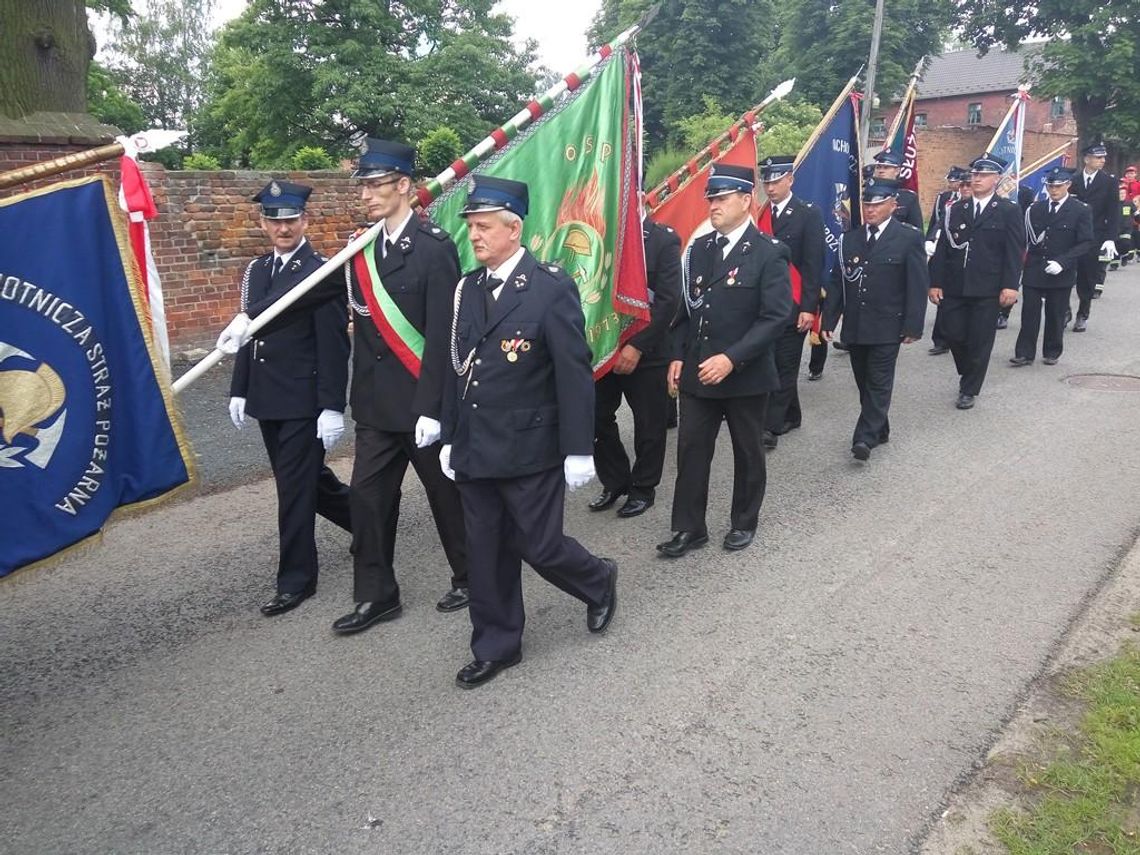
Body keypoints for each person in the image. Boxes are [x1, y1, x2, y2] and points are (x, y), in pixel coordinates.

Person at [439, 175, 617, 689]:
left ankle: (598, 579)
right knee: (486, 547)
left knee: (538, 545)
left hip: (530, 444)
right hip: (475, 444)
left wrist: (579, 449)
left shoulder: (548, 286)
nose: (474, 236)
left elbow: (572, 370)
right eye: (471, 226)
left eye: (484, 226)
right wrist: (451, 434)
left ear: (513, 230)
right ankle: (497, 644)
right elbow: (458, 368)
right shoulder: (467, 289)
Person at [228, 180, 353, 616]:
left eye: (291, 220)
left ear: (306, 220)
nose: (283, 229)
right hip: (267, 397)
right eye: (274, 221)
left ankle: (296, 579)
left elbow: (334, 344)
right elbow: (248, 335)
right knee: (307, 482)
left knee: (293, 491)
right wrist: (239, 388)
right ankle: (368, 521)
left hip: (303, 399)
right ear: (262, 223)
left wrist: (331, 405)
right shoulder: (256, 271)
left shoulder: (320, 271)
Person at [658, 162, 792, 558]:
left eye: (721, 198)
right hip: (699, 372)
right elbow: (686, 310)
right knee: (691, 452)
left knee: (748, 451)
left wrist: (732, 359)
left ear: (746, 200)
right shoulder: (699, 249)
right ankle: (689, 528)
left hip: (744, 375)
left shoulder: (768, 252)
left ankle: (743, 521)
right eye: (710, 199)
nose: (712, 205)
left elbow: (776, 317)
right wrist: (678, 355)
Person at [821, 180, 928, 460]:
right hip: (857, 324)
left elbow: (917, 284)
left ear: (893, 205)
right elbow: (837, 282)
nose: (871, 209)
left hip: (888, 324)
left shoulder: (908, 237)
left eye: (878, 204)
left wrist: (913, 325)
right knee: (864, 380)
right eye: (867, 204)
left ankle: (864, 438)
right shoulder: (850, 239)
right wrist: (829, 320)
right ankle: (880, 427)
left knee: (879, 381)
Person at [589, 208, 681, 518]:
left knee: (649, 424)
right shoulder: (598, 232)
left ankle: (643, 488)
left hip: (647, 351)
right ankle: (615, 481)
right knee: (596, 417)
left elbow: (669, 301)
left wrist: (637, 346)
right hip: (604, 346)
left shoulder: (661, 240)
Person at [929, 152, 1025, 410]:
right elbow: (943, 250)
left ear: (996, 179)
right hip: (956, 284)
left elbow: (1014, 251)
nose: (977, 179)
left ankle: (968, 389)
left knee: (981, 339)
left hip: (988, 287)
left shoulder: (1008, 210)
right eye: (975, 174)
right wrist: (935, 282)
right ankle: (968, 369)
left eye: (983, 175)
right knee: (953, 332)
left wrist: (1010, 285)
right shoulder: (956, 209)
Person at [756, 155, 825, 450]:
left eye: (775, 181)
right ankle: (791, 414)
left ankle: (770, 426)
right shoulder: (760, 215)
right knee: (769, 359)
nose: (770, 188)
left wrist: (809, 308)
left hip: (794, 302)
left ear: (790, 180)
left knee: (784, 364)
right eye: (767, 182)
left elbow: (813, 265)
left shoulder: (808, 214)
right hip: (765, 303)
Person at [1011, 167, 1094, 367]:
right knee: (1029, 312)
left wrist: (1063, 262)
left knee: (1055, 313)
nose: (1053, 190)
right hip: (1035, 267)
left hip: (1060, 269)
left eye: (1058, 186)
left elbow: (1085, 242)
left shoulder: (1080, 209)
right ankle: (1024, 353)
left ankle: (1052, 351)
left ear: (1068, 185)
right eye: (1050, 186)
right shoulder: (1035, 208)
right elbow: (1025, 238)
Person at [1069, 143, 1117, 329]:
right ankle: (1064, 310)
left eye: (1103, 157)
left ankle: (1083, 313)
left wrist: (1111, 237)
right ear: (1086, 159)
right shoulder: (1073, 180)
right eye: (1098, 157)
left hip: (1094, 235)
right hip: (1071, 235)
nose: (1102, 160)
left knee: (1087, 276)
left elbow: (1113, 211)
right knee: (1064, 273)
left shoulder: (1109, 181)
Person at [926, 167, 968, 355]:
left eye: (968, 184)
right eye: (963, 185)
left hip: (971, 262)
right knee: (945, 301)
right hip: (949, 258)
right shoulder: (951, 204)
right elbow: (939, 221)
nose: (965, 188)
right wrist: (931, 238)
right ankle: (941, 340)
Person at [871, 150, 924, 229]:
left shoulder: (908, 198)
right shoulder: (866, 195)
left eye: (886, 167)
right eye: (878, 167)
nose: (881, 171)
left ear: (897, 171)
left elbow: (916, 231)